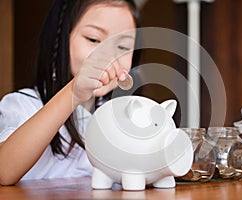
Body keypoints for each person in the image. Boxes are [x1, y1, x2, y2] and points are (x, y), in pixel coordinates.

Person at [0, 0, 139, 185]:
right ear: (59, 42)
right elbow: (4, 171)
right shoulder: (24, 105)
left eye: (122, 47)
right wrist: (74, 92)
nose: (109, 56)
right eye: (93, 39)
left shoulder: (116, 117)